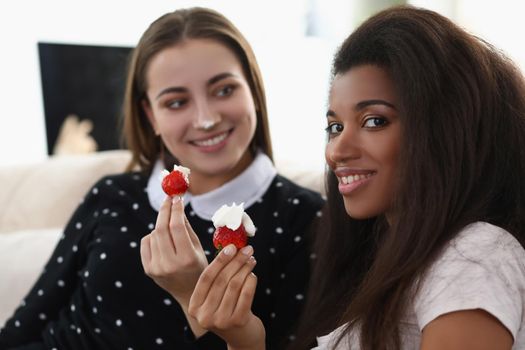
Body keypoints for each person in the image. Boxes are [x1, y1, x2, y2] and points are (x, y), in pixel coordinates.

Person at [182, 5, 525, 350]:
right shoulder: (397, 264)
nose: (336, 151)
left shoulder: (474, 255)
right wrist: (245, 339)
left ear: (446, 128)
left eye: (374, 121)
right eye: (335, 127)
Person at [0, 7, 324, 350]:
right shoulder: (112, 194)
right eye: (176, 102)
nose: (205, 119)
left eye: (224, 90)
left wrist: (191, 293)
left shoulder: (310, 221)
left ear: (253, 91)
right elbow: (21, 329)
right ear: (150, 115)